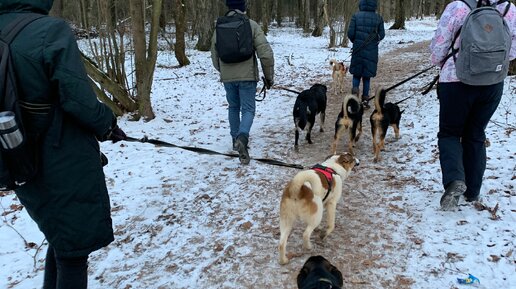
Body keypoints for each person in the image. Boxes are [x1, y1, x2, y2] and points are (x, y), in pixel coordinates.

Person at [0, 0, 127, 288]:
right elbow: (78, 100)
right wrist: (107, 124)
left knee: (61, 237)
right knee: (73, 252)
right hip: (61, 158)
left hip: (16, 156)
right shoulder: (50, 31)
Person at [430, 0, 516, 211]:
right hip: (492, 83)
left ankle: (454, 180)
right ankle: (473, 190)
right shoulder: (509, 9)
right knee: (476, 133)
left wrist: (444, 61)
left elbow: (438, 48)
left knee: (450, 133)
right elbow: (511, 51)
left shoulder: (458, 7)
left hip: (456, 80)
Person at [211, 0, 274, 165]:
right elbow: (265, 54)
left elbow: (214, 53)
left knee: (233, 107)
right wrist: (269, 78)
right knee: (248, 109)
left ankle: (235, 140)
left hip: (228, 77)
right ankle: (243, 138)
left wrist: (223, 71)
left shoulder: (220, 27)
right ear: (243, 7)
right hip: (247, 76)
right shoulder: (251, 25)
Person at [347, 0, 385, 109]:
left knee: (356, 74)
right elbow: (381, 35)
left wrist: (356, 41)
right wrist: (374, 40)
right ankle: (365, 100)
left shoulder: (356, 16)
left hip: (358, 49)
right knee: (367, 77)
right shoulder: (378, 18)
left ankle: (354, 96)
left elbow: (350, 33)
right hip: (371, 51)